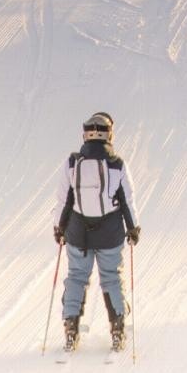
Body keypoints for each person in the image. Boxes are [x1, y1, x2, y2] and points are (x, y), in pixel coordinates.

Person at [53, 111, 141, 353]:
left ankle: (71, 327)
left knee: (76, 277)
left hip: (78, 232)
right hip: (109, 233)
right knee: (111, 277)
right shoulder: (117, 165)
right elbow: (127, 200)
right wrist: (133, 228)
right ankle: (118, 328)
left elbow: (64, 199)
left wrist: (59, 228)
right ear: (109, 134)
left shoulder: (72, 163)